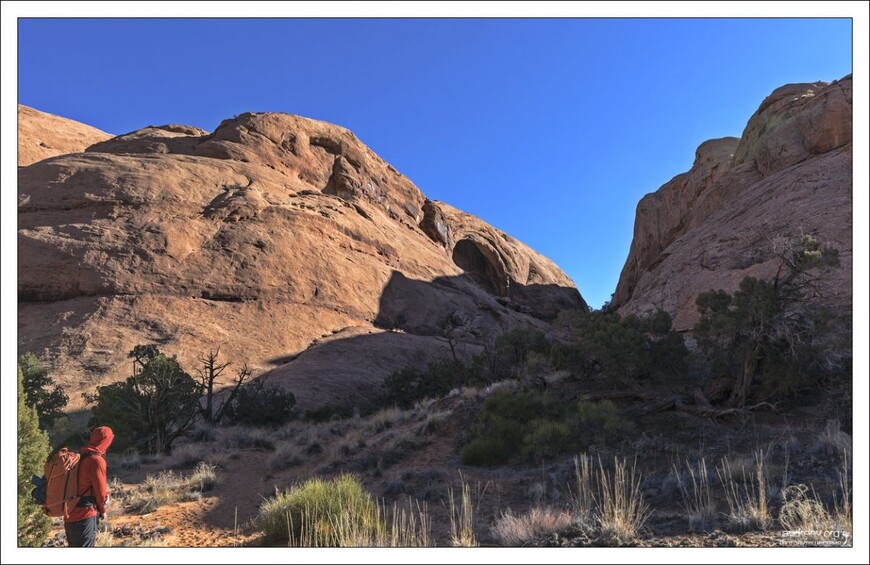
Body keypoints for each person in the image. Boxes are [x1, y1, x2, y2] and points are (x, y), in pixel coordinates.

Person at [64, 426, 114, 547]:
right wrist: (103, 511)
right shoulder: (96, 460)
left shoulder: (82, 455)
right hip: (84, 515)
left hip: (70, 515)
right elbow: (101, 493)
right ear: (105, 440)